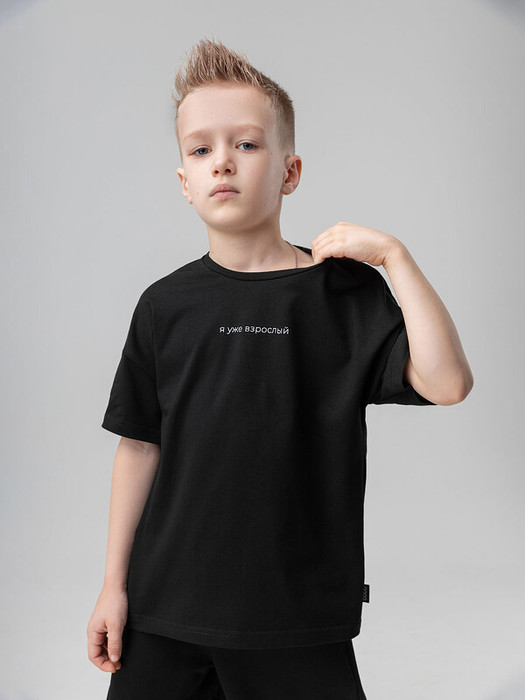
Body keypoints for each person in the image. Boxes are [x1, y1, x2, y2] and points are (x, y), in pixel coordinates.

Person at [87, 37, 474, 700]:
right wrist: (112, 587)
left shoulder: (341, 294)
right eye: (200, 150)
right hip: (164, 607)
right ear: (184, 183)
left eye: (246, 144)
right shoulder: (164, 305)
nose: (221, 162)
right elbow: (139, 446)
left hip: (296, 615)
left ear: (289, 172)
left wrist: (395, 257)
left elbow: (447, 383)